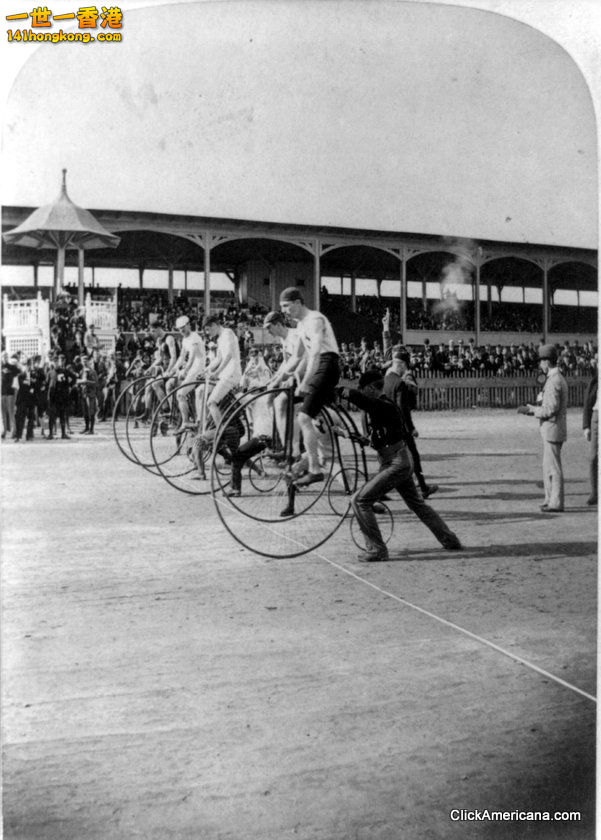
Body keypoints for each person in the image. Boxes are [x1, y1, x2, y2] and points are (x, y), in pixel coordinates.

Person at [344, 369, 462, 561]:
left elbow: (362, 401)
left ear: (373, 388)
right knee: (417, 505)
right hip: (398, 461)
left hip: (396, 463)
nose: (362, 393)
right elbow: (377, 440)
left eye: (364, 389)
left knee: (359, 501)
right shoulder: (380, 408)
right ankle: (450, 540)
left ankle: (376, 549)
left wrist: (341, 391)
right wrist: (347, 434)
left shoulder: (383, 405)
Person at [278, 287, 340, 487]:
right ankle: (303, 455)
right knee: (301, 412)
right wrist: (277, 379)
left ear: (298, 302)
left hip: (327, 364)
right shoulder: (301, 326)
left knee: (304, 417)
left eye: (286, 306)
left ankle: (314, 469)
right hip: (320, 365)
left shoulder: (314, 319)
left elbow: (314, 354)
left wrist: (305, 382)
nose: (285, 310)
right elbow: (296, 357)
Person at [519, 343, 568, 512]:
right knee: (548, 466)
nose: (540, 365)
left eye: (541, 361)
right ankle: (550, 499)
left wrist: (532, 410)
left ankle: (556, 502)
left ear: (547, 362)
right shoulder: (555, 378)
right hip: (552, 428)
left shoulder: (554, 380)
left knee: (553, 467)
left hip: (553, 428)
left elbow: (550, 409)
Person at [383, 348, 438, 499]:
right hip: (401, 428)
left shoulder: (386, 380)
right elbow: (402, 409)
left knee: (391, 461)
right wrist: (411, 428)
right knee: (413, 456)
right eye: (405, 366)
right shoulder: (399, 383)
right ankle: (423, 488)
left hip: (389, 427)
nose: (405, 370)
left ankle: (381, 490)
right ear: (400, 365)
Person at [263, 310, 307, 460]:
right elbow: (286, 362)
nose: (268, 331)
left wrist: (280, 380)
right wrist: (274, 378)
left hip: (303, 377)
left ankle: (287, 448)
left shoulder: (294, 336)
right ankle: (280, 441)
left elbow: (301, 360)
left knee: (279, 402)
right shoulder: (283, 339)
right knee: (270, 400)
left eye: (269, 328)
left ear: (278, 324)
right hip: (293, 378)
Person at [203, 314, 242, 430]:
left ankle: (222, 433)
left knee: (211, 402)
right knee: (205, 394)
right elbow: (218, 359)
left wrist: (217, 372)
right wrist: (206, 369)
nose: (207, 333)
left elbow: (229, 355)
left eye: (208, 329)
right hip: (225, 374)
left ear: (215, 325)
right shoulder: (220, 338)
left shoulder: (228, 333)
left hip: (232, 373)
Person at [172, 315, 206, 430]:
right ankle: (187, 415)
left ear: (188, 325)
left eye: (183, 327)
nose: (181, 330)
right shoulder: (185, 339)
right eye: (179, 329)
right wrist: (174, 369)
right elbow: (182, 356)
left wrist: (185, 370)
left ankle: (186, 421)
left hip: (198, 369)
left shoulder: (194, 337)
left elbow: (192, 357)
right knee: (176, 387)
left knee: (180, 394)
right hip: (192, 369)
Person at [582, 365, 598, 506]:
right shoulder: (595, 381)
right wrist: (586, 426)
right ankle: (595, 492)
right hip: (596, 418)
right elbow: (588, 403)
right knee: (593, 457)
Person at [1, 351, 20, 440]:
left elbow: (19, 371)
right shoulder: (1, 367)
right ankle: (4, 431)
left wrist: (10, 365)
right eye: (3, 356)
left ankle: (14, 431)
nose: (4, 358)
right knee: (3, 413)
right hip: (2, 392)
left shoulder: (12, 367)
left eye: (6, 356)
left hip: (10, 392)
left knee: (11, 412)